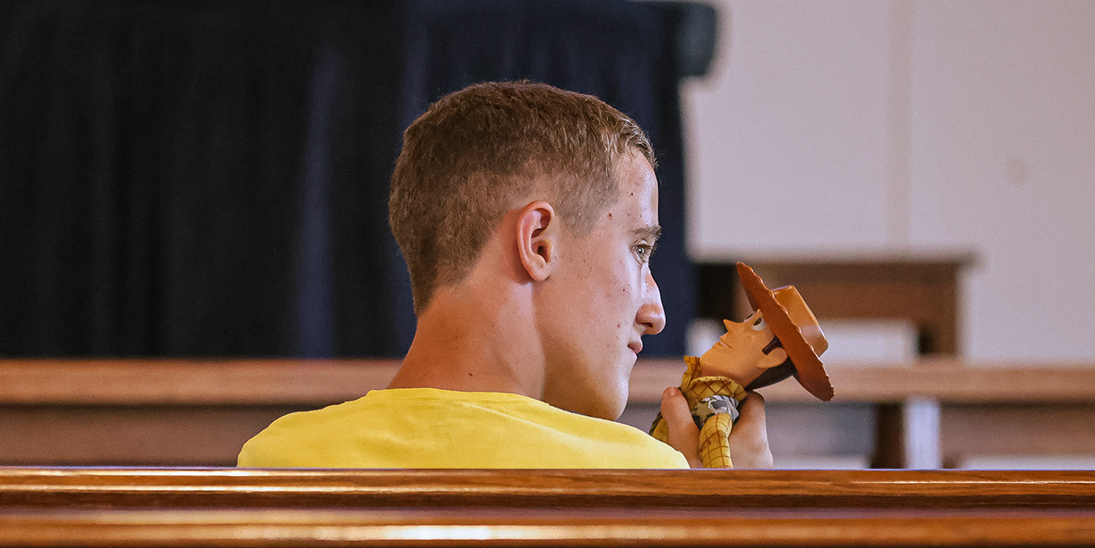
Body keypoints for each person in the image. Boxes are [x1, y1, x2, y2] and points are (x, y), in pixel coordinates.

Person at [237, 81, 770, 470]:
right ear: (539, 243)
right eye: (638, 249)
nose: (655, 312)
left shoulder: (275, 459)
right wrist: (739, 511)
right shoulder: (641, 478)